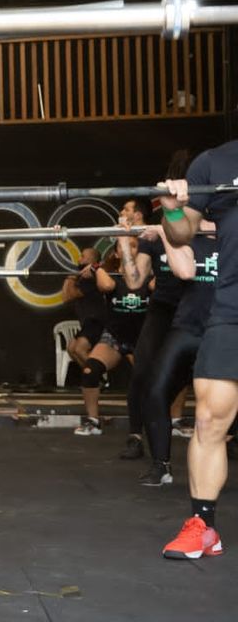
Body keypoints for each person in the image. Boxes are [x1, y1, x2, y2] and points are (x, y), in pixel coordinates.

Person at [158, 141, 238, 560]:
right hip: (232, 309)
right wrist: (173, 209)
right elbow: (182, 231)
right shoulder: (214, 163)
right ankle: (203, 527)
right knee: (208, 418)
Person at [139, 220, 217, 487]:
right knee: (155, 392)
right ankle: (161, 465)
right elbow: (184, 271)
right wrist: (164, 232)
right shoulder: (187, 239)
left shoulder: (232, 239)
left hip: (223, 331)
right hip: (187, 328)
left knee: (218, 406)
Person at [123, 159, 191, 460]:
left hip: (196, 307)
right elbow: (134, 282)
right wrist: (124, 242)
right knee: (142, 373)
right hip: (163, 308)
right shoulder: (152, 237)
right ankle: (136, 437)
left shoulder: (200, 226)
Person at [74, 218, 151, 437]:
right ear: (117, 252)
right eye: (126, 246)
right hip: (115, 337)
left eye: (135, 246)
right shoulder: (109, 276)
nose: (131, 250)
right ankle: (93, 421)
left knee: (150, 379)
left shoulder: (150, 277)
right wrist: (96, 267)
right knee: (90, 371)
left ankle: (163, 421)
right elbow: (106, 286)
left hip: (142, 337)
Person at [62, 247, 107, 367]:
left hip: (96, 321)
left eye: (82, 256)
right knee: (71, 349)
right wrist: (69, 278)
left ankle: (96, 374)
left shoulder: (91, 277)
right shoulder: (81, 277)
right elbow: (65, 298)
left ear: (92, 260)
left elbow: (71, 295)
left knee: (79, 349)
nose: (79, 259)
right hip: (87, 322)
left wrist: (71, 278)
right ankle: (91, 375)